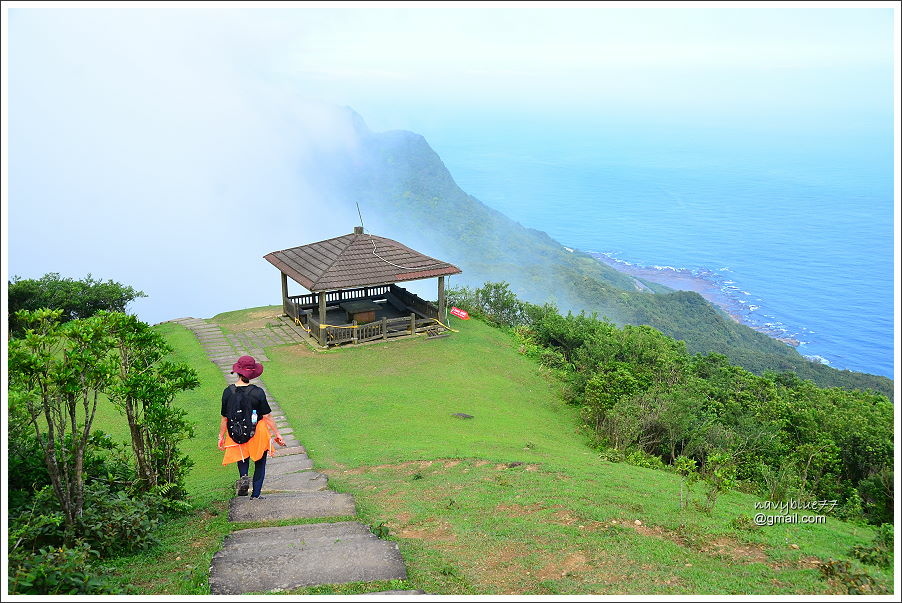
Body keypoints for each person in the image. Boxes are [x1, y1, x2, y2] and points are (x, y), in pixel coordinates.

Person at [218, 355, 286, 499]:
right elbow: (267, 416)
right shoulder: (258, 392)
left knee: (242, 457)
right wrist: (277, 434)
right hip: (257, 432)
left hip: (235, 432)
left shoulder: (227, 392)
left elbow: (224, 418)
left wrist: (221, 436)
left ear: (237, 372)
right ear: (252, 374)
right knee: (260, 463)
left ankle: (244, 477)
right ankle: (256, 495)